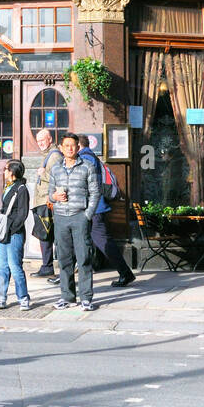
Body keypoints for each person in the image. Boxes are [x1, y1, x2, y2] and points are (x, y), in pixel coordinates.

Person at [48, 133, 101, 311]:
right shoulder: (55, 169)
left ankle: (86, 298)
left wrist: (87, 215)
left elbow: (95, 192)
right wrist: (54, 197)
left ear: (78, 148)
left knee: (84, 257)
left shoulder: (87, 167)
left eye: (73, 145)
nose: (70, 148)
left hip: (80, 216)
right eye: (66, 145)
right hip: (61, 217)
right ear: (61, 149)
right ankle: (67, 297)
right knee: (64, 259)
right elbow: (50, 194)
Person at [79, 135, 135, 287]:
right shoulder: (91, 157)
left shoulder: (85, 158)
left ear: (78, 145)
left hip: (94, 208)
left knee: (104, 242)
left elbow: (87, 184)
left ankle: (125, 273)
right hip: (94, 207)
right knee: (78, 240)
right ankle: (69, 275)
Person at [0, 161, 31, 311]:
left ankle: (23, 298)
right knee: (2, 266)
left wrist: (12, 229)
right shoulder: (8, 187)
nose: (4, 172)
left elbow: (22, 214)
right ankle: (1, 297)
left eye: (6, 169)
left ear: (12, 172)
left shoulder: (21, 189)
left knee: (15, 266)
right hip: (4, 233)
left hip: (14, 233)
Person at [30, 128, 61, 279]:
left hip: (47, 200)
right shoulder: (48, 155)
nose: (40, 143)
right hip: (43, 200)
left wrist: (44, 174)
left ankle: (47, 266)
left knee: (46, 235)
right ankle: (47, 266)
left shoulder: (54, 156)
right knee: (45, 235)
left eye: (42, 140)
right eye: (38, 141)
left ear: (50, 139)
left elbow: (59, 178)